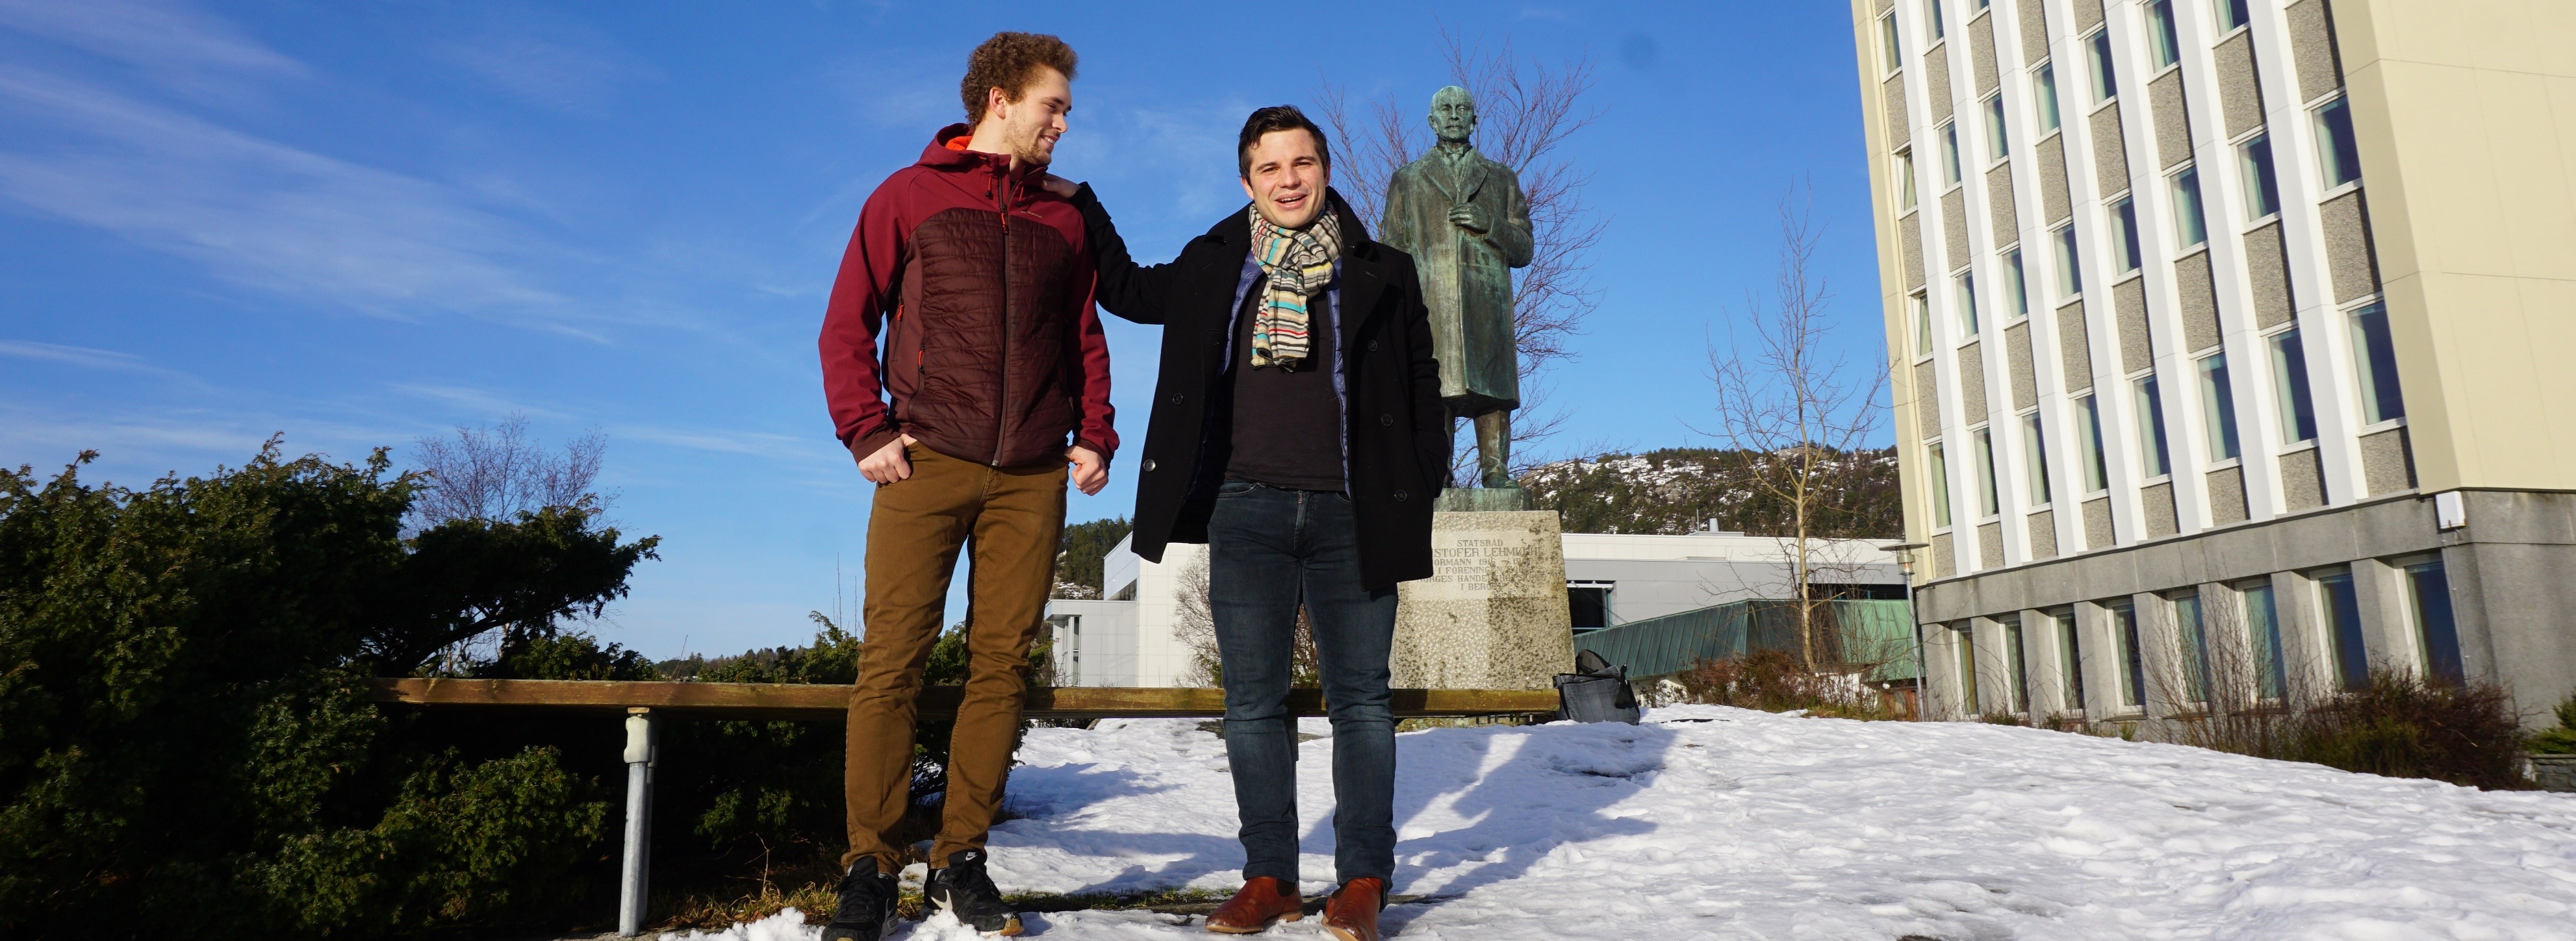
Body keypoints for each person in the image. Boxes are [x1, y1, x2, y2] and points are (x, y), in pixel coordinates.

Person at [1040, 105, 1446, 941]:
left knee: (1361, 705)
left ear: (1326, 171)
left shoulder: (1384, 270)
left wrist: (1417, 485)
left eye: (1302, 164)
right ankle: (1269, 878)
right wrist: (1078, 199)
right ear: (1246, 182)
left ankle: (1362, 878)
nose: (1288, 180)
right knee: (1252, 703)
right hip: (1245, 509)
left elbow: (1420, 385)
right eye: (1270, 168)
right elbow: (1124, 288)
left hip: (1353, 516)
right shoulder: (1215, 262)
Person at [815, 31, 1113, 941]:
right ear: (998, 100)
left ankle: (960, 859)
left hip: (1030, 475)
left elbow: (1085, 338)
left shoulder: (1065, 220)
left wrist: (1094, 436)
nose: (1063, 122)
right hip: (927, 460)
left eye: (1066, 109)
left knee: (1000, 669)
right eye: (1051, 106)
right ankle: (871, 864)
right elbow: (843, 324)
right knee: (891, 663)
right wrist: (866, 430)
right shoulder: (907, 197)